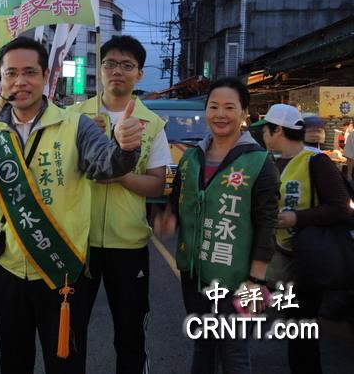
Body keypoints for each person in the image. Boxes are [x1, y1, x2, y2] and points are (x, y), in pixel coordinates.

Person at [0, 36, 144, 374]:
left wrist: (124, 147)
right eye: (10, 73)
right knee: (13, 362)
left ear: (46, 75)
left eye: (30, 71)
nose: (20, 81)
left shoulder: (75, 125)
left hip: (62, 268)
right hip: (9, 268)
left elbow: (106, 164)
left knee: (66, 363)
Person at [157, 77, 280, 374]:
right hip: (195, 274)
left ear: (244, 114)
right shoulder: (191, 158)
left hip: (239, 277)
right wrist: (169, 218)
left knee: (234, 351)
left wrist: (256, 279)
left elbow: (268, 223)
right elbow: (177, 200)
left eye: (229, 107)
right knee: (204, 345)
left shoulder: (259, 162)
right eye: (213, 106)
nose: (220, 114)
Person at [68, 35, 171, 373]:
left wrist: (120, 175)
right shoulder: (73, 117)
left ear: (139, 74)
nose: (118, 71)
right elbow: (58, 173)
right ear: (100, 69)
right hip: (76, 241)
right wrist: (88, 142)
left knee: (129, 334)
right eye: (110, 63)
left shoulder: (152, 123)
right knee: (70, 334)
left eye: (127, 65)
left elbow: (157, 183)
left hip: (128, 244)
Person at [251, 103, 352, 374]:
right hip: (272, 260)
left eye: (266, 130)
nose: (263, 136)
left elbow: (341, 207)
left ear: (278, 131)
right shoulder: (270, 161)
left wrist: (298, 218)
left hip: (307, 263)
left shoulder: (317, 161)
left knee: (301, 333)